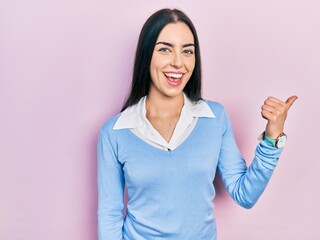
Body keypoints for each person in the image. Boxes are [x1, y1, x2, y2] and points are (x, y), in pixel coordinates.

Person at [97, 8, 297, 240]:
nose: (178, 63)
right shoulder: (114, 132)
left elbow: (245, 195)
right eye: (164, 49)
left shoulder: (215, 118)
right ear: (146, 55)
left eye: (187, 51)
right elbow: (109, 215)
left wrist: (273, 137)